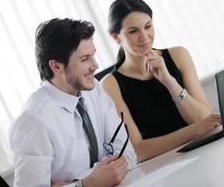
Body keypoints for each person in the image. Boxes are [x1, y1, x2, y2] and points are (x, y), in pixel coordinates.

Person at [9, 18, 137, 187]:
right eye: (85, 59)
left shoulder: (94, 90)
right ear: (56, 67)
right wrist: (86, 184)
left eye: (93, 56)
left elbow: (128, 154)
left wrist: (75, 182)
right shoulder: (33, 120)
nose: (95, 65)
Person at [101, 0, 221, 163]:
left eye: (148, 26)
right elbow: (139, 150)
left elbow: (204, 119)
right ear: (116, 37)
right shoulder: (110, 84)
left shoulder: (179, 55)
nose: (144, 37)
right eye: (133, 31)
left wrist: (169, 82)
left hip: (207, 152)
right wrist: (194, 131)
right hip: (162, 165)